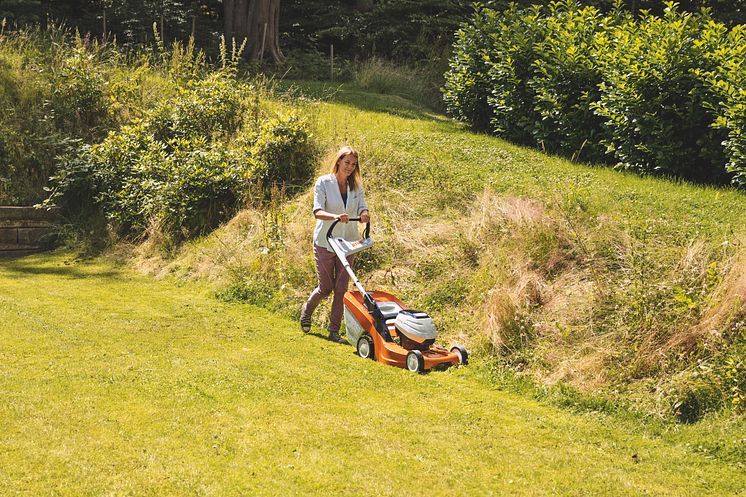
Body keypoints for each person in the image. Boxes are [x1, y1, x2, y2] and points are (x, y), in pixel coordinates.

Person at [300, 146, 370, 343]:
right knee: (326, 288)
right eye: (346, 162)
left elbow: (363, 206)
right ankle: (306, 312)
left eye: (353, 164)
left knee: (341, 289)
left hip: (348, 244)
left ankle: (333, 332)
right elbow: (317, 211)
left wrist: (364, 214)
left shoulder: (356, 187)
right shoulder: (323, 182)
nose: (349, 167)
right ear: (338, 161)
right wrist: (336, 217)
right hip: (325, 242)